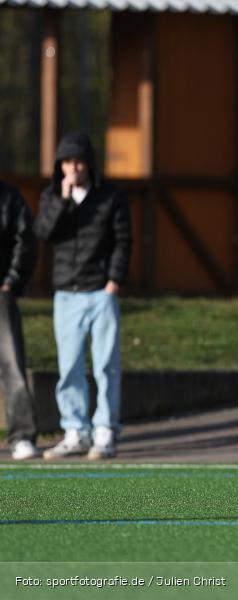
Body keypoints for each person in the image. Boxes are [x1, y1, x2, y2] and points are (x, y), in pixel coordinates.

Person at [35, 132, 132, 460]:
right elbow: (43, 233)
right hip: (66, 293)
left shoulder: (110, 197)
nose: (73, 169)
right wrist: (63, 200)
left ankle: (105, 430)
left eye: (78, 162)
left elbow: (123, 239)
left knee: (107, 366)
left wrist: (114, 280)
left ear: (89, 165)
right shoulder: (52, 197)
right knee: (70, 366)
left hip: (101, 292)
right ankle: (75, 431)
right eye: (67, 163)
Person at [0, 181, 40, 460]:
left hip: (1, 294)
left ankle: (22, 436)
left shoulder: (9, 197)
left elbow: (26, 239)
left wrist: (12, 281)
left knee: (12, 364)